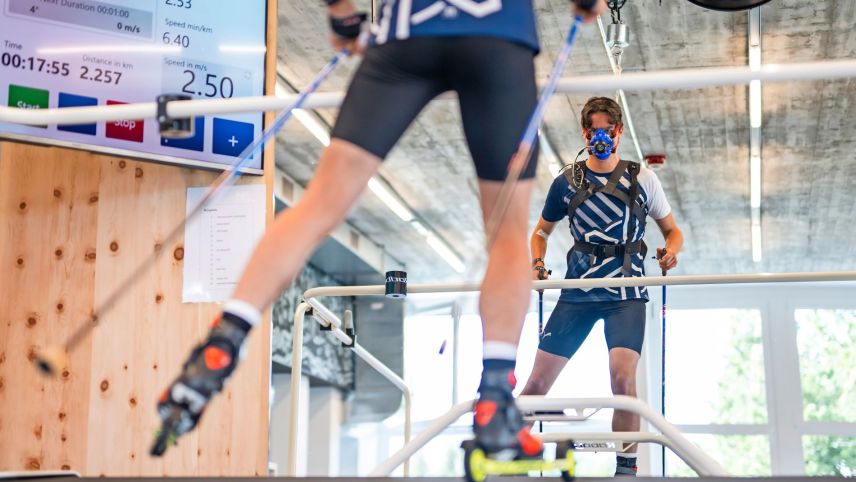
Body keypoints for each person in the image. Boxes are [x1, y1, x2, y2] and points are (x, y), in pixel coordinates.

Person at [156, 0, 608, 458]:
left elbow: (345, 11)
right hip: (497, 35)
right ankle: (494, 397)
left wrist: (342, 15)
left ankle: (225, 338)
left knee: (317, 206)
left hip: (406, 33)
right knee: (509, 233)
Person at [522, 96, 683, 475]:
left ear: (619, 131)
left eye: (608, 131)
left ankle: (626, 468)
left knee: (622, 377)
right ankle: (507, 456)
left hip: (626, 294)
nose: (601, 137)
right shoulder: (567, 181)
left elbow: (672, 231)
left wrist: (670, 253)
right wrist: (537, 262)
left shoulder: (643, 177)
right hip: (578, 292)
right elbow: (541, 232)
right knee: (537, 382)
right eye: (594, 130)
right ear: (584, 132)